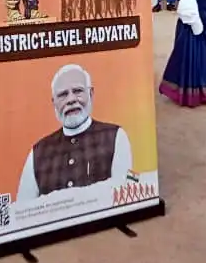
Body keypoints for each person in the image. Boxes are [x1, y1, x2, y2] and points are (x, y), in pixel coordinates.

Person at [17, 64, 132, 200]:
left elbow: (124, 193)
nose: (71, 100)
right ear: (54, 102)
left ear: (91, 94)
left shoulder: (116, 137)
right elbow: (24, 208)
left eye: (77, 91)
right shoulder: (37, 153)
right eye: (63, 95)